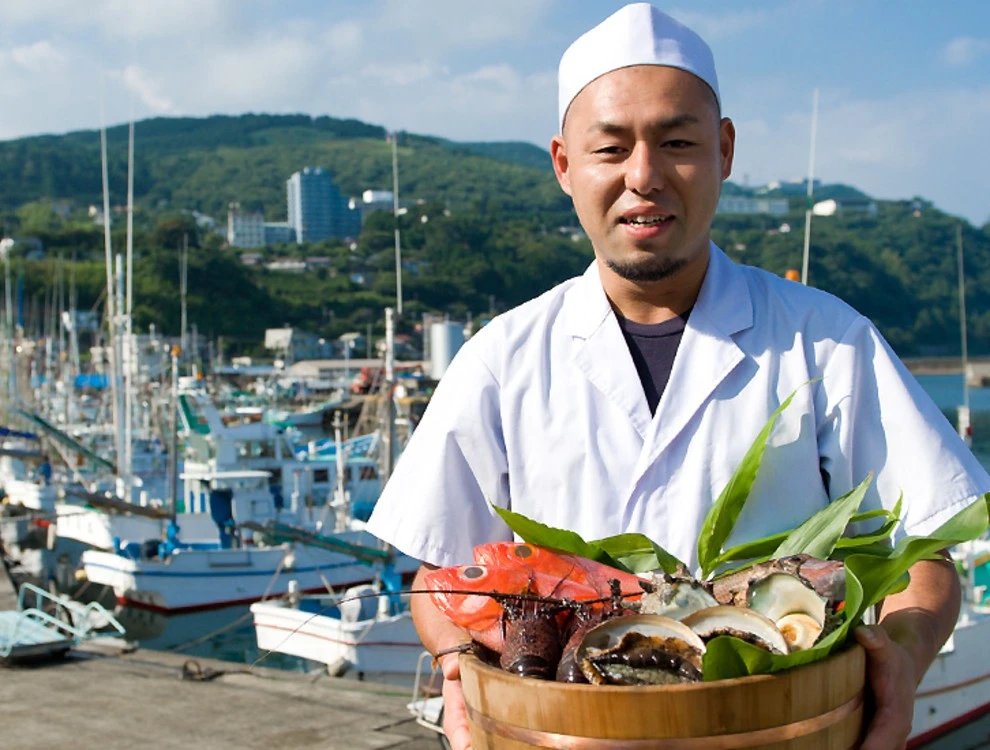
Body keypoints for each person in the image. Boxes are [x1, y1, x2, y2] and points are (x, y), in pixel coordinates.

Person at [367, 5, 989, 749]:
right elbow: (441, 577)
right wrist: (454, 667)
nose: (644, 176)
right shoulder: (500, 360)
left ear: (724, 150)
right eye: (611, 148)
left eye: (678, 142)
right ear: (566, 165)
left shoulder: (829, 340)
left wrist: (905, 660)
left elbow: (927, 554)